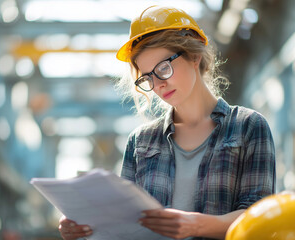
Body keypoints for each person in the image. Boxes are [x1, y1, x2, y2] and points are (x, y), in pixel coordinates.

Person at [58, 5, 276, 240]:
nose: (158, 84)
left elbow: (259, 218)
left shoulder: (248, 127)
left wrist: (197, 225)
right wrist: (88, 226)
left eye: (163, 68)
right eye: (148, 77)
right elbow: (126, 226)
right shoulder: (140, 142)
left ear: (194, 56)